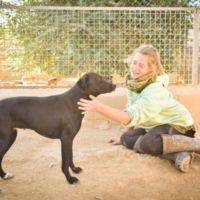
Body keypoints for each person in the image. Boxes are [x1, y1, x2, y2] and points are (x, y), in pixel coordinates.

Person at [77, 44, 199, 172]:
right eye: (134, 63)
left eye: (141, 65)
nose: (135, 68)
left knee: (148, 142)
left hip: (179, 128)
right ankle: (178, 154)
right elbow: (131, 109)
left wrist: (98, 107)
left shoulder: (155, 90)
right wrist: (125, 135)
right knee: (126, 138)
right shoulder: (134, 82)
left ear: (151, 69)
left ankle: (196, 144)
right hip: (156, 127)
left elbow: (128, 118)